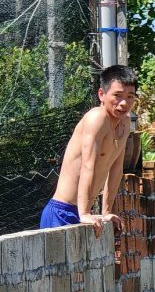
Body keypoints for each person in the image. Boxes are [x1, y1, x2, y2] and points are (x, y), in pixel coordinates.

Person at [39, 64, 137, 235]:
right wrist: (84, 213)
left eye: (130, 97)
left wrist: (106, 212)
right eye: (117, 95)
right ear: (101, 94)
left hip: (83, 211)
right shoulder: (96, 118)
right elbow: (88, 165)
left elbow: (116, 168)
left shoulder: (125, 123)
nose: (124, 103)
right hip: (62, 211)